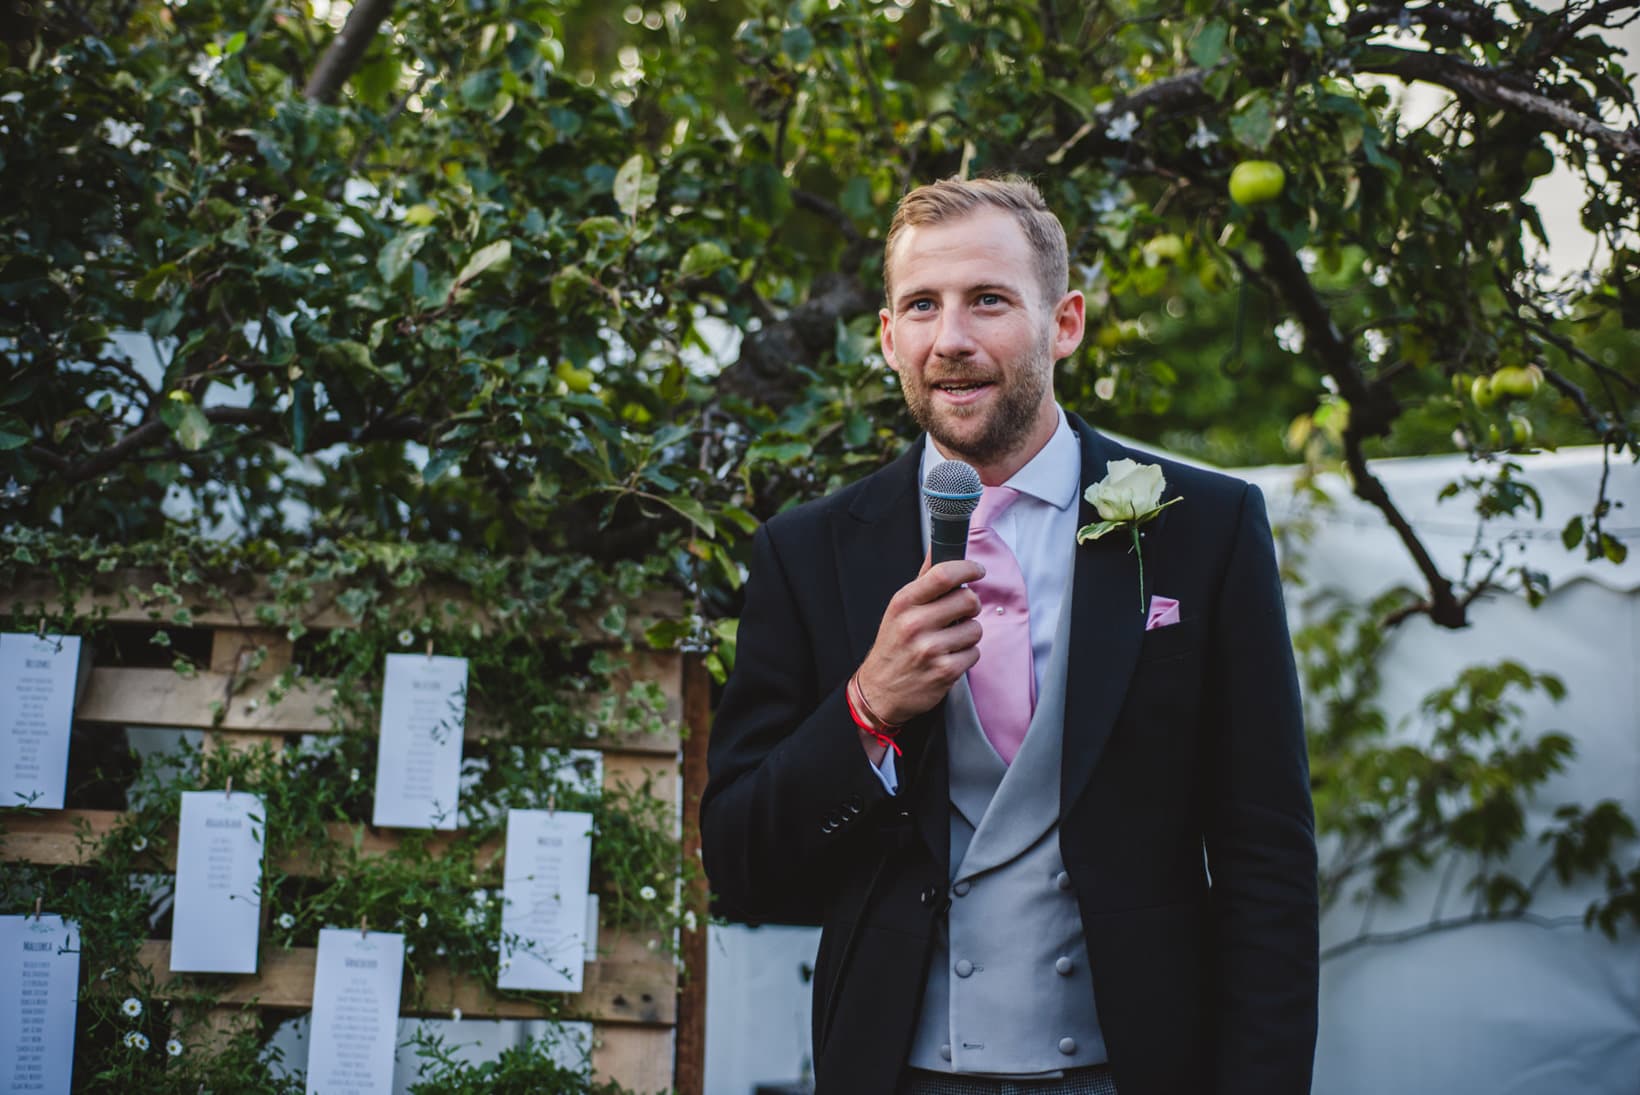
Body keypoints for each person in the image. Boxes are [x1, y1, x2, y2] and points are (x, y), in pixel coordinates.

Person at [700, 176, 1318, 1095]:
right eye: (922, 306)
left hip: (1136, 1067)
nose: (950, 339)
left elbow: (1267, 855)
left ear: (1064, 322)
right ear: (887, 337)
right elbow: (741, 862)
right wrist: (866, 709)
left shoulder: (1206, 527)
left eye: (987, 299)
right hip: (901, 1073)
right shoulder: (807, 551)